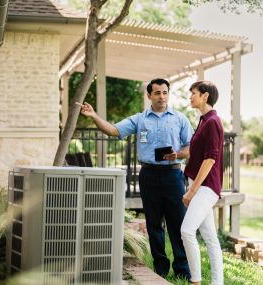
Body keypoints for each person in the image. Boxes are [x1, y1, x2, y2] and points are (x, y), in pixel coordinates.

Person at [80, 78, 193, 280]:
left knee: (178, 223)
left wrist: (179, 154)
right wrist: (94, 115)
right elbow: (113, 131)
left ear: (169, 94)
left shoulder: (180, 119)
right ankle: (160, 269)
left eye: (165, 92)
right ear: (149, 95)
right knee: (153, 223)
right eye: (157, 93)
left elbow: (190, 147)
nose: (162, 96)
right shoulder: (140, 119)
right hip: (148, 175)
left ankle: (182, 270)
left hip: (173, 175)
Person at [181, 80, 224, 285]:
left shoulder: (213, 122)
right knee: (211, 239)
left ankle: (195, 281)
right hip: (199, 185)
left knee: (187, 231)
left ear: (205, 95)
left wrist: (191, 191)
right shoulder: (203, 120)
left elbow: (210, 159)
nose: (190, 96)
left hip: (206, 188)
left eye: (194, 93)